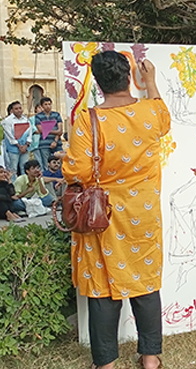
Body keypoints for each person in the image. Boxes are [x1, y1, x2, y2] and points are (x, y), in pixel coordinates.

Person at [62, 50, 170, 369]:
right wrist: (150, 81)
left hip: (102, 216)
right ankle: (150, 357)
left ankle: (106, 363)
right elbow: (163, 119)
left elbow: (76, 172)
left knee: (102, 286)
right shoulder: (151, 113)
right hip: (144, 212)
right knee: (145, 280)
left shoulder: (88, 120)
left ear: (98, 82)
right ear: (128, 78)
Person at [2, 101, 33, 178]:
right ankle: (13, 186)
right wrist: (19, 146)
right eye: (16, 109)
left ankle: (25, 185)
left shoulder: (26, 119)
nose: (19, 110)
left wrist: (26, 145)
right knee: (13, 169)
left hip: (25, 147)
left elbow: (30, 133)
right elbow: (9, 136)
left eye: (20, 108)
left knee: (25, 168)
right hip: (13, 148)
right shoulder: (7, 121)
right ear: (12, 110)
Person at [33, 97, 64, 171]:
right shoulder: (38, 116)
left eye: (49, 104)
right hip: (44, 144)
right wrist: (55, 131)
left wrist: (55, 141)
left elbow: (60, 130)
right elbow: (40, 130)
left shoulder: (56, 115)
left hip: (57, 143)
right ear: (42, 106)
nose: (48, 106)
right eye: (46, 104)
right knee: (46, 164)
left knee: (60, 163)